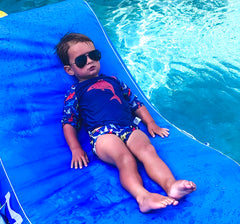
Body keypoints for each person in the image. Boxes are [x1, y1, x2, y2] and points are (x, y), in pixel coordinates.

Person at [55, 33, 196, 213]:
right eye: (81, 60)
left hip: (129, 127)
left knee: (148, 151)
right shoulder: (75, 90)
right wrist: (75, 148)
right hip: (102, 134)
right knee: (125, 159)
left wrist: (151, 123)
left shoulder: (114, 81)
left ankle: (171, 186)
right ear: (70, 69)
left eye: (94, 55)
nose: (90, 61)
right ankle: (142, 196)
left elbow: (135, 103)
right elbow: (68, 121)